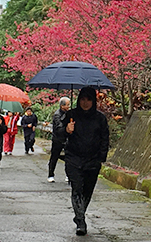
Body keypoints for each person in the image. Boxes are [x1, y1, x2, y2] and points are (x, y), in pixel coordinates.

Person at [62, 87, 109, 236]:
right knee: (77, 188)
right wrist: (66, 130)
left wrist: (101, 157)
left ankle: (79, 215)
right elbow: (58, 134)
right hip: (73, 158)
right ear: (78, 99)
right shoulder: (71, 115)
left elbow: (105, 139)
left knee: (87, 191)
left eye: (89, 99)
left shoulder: (100, 118)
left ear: (93, 101)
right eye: (83, 99)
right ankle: (80, 221)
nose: (85, 103)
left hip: (92, 160)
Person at [47, 97, 71, 183]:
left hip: (67, 139)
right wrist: (66, 127)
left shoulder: (69, 113)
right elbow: (58, 128)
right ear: (62, 106)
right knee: (54, 157)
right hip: (57, 139)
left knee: (69, 157)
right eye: (67, 105)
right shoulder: (57, 115)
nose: (69, 106)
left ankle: (68, 175)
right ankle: (50, 174)